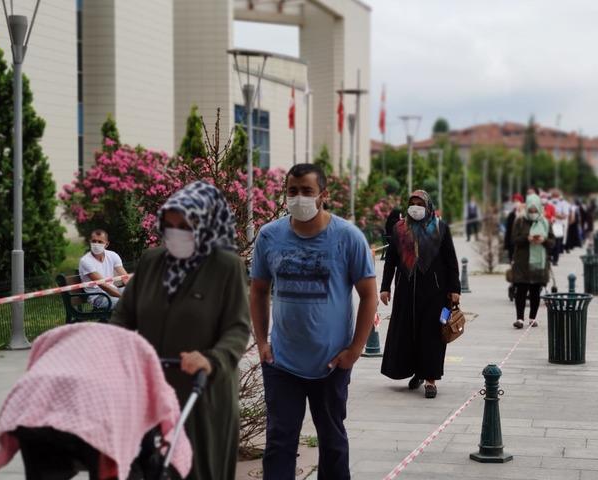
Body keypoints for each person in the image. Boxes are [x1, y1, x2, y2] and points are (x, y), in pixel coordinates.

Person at [111, 181, 251, 479]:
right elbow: (123, 318)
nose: (175, 232)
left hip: (202, 394)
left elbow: (238, 328)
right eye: (169, 224)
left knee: (198, 469)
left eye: (185, 225)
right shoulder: (152, 262)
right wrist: (113, 351)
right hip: (152, 390)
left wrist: (212, 359)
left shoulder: (226, 267)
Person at [250, 163, 378, 480]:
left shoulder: (348, 238)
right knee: (279, 443)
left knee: (332, 443)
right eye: (292, 191)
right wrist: (263, 343)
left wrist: (355, 349)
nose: (298, 197)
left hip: (331, 364)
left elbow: (369, 295)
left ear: (323, 194)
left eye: (307, 191)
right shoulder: (269, 236)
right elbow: (258, 290)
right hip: (282, 363)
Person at [379, 190, 460, 399]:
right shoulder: (399, 229)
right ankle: (416, 372)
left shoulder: (440, 229)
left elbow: (451, 261)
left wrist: (454, 290)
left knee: (431, 335)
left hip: (435, 292)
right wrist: (385, 287)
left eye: (420, 203)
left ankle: (430, 379)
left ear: (428, 206)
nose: (415, 207)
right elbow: (391, 261)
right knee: (408, 333)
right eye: (412, 203)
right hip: (406, 291)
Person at [509, 194, 556, 329]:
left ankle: (532, 318)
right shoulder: (520, 221)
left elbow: (552, 242)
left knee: (535, 291)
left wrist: (544, 240)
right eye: (531, 210)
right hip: (522, 262)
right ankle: (519, 318)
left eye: (535, 211)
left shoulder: (545, 222)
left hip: (539, 263)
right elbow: (514, 239)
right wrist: (527, 238)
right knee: (521, 290)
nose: (533, 213)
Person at [78, 229, 128, 309]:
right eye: (94, 241)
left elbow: (125, 278)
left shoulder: (113, 255)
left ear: (107, 244)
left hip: (113, 291)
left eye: (100, 242)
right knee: (128, 304)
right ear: (90, 242)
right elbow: (104, 286)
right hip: (98, 297)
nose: (96, 244)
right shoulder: (85, 261)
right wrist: (125, 298)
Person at [503, 193, 524, 262]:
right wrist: (506, 244)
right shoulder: (511, 215)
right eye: (514, 201)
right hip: (512, 240)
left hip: (522, 241)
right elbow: (508, 230)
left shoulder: (525, 215)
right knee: (512, 259)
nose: (516, 203)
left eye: (518, 201)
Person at [551, 190, 569, 265]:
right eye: (553, 195)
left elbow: (565, 215)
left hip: (558, 225)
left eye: (556, 196)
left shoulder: (563, 204)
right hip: (549, 225)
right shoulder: (549, 203)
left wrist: (555, 215)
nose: (555, 197)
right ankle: (550, 257)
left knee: (557, 243)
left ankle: (555, 260)